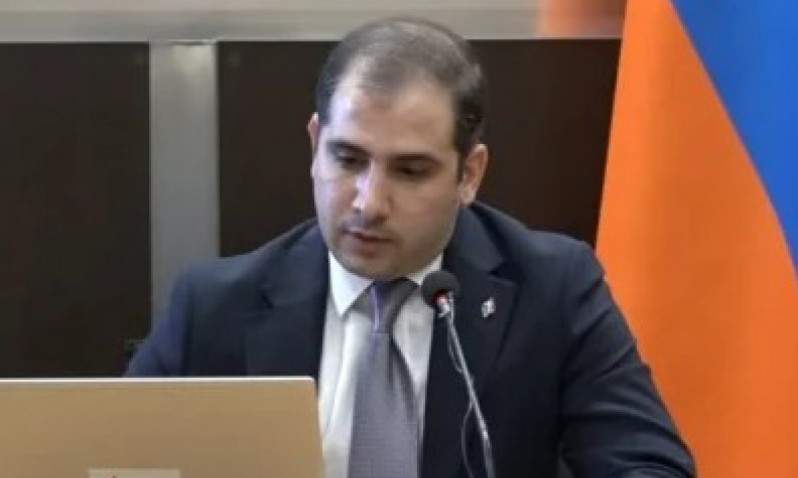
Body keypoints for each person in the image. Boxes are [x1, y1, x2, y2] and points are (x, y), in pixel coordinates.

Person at [127, 17, 695, 478]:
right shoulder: (215, 307)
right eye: (348, 159)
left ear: (469, 174)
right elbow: (114, 460)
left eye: (410, 170)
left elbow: (650, 466)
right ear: (315, 144)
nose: (369, 202)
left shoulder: (551, 289)